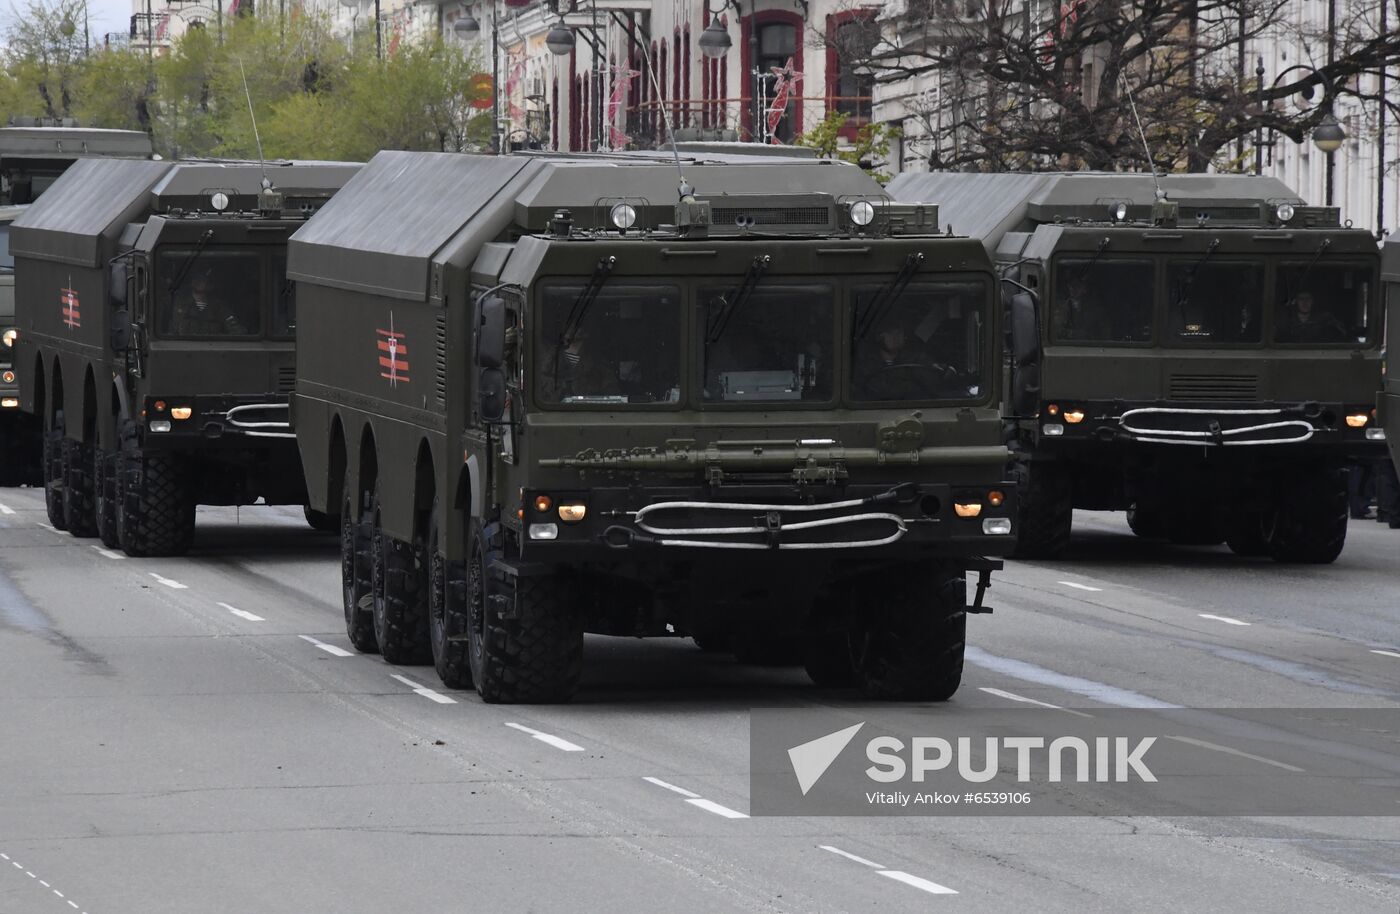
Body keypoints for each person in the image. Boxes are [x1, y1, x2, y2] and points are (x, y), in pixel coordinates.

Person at [541, 328, 621, 402]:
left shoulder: (598, 362)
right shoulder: (547, 361)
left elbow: (613, 397)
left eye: (576, 324)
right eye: (568, 324)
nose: (570, 328)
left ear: (585, 333)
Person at [171, 271, 248, 336]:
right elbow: (173, 331)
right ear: (191, 282)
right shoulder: (180, 304)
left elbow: (234, 328)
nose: (198, 282)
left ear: (211, 285)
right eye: (197, 279)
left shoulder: (220, 306)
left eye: (203, 279)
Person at [1277, 290, 1345, 343]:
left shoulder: (1324, 319)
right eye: (1301, 299)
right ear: (1296, 301)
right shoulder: (1286, 319)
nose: (1305, 302)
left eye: (1308, 299)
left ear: (1312, 301)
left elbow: (1341, 334)